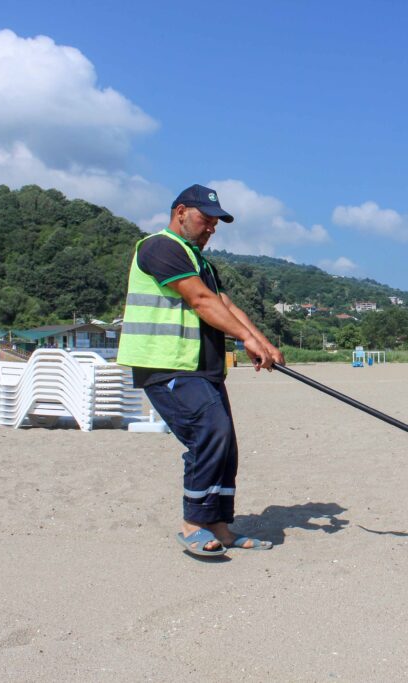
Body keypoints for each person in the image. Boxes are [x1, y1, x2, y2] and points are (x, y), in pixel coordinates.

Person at [117, 183, 285, 557]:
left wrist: (259, 340)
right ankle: (193, 524)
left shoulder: (200, 261)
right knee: (210, 432)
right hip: (165, 364)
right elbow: (201, 300)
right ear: (180, 212)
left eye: (216, 223)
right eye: (205, 219)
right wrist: (249, 339)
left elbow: (224, 302)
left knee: (225, 445)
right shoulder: (159, 247)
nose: (211, 228)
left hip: (201, 368)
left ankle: (221, 527)